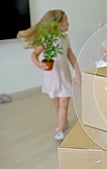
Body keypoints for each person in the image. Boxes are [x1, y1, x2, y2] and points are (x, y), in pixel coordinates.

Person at [17, 9, 81, 141]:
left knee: (64, 103)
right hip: (52, 78)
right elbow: (34, 54)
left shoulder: (65, 38)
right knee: (57, 104)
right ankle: (62, 120)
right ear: (56, 24)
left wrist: (78, 74)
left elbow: (71, 57)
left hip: (64, 77)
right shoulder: (47, 40)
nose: (68, 23)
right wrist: (40, 64)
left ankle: (60, 130)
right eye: (66, 21)